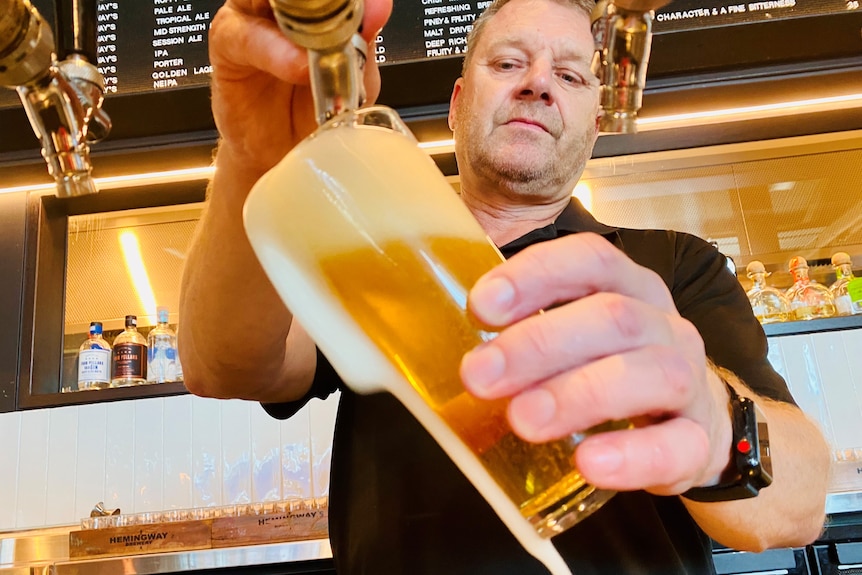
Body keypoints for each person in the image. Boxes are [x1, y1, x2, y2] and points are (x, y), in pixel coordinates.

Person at [179, 0, 831, 572]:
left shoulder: (668, 268)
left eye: (570, 74)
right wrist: (253, 150)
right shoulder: (371, 255)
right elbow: (224, 365)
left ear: (594, 126)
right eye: (509, 63)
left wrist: (715, 424)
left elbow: (794, 509)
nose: (538, 84)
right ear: (458, 106)